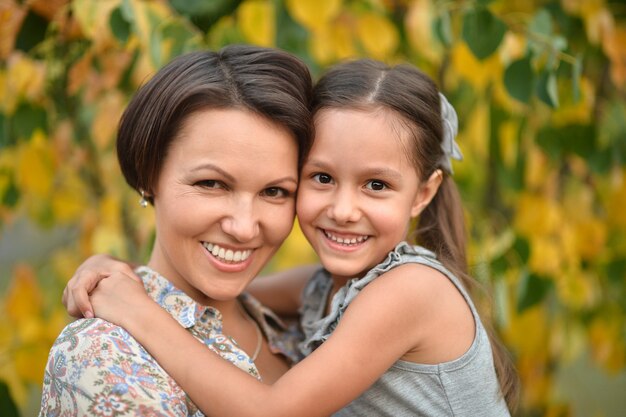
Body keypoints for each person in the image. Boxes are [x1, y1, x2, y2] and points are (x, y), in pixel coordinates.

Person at [63, 58, 519, 416]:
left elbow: (272, 410)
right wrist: (114, 273)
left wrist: (135, 308)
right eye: (320, 177)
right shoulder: (324, 288)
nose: (343, 210)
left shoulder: (411, 291)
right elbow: (205, 298)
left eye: (376, 185)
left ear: (423, 193)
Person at [39, 44, 314, 416]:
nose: (244, 227)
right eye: (212, 184)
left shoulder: (300, 328)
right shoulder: (105, 354)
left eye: (275, 191)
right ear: (149, 174)